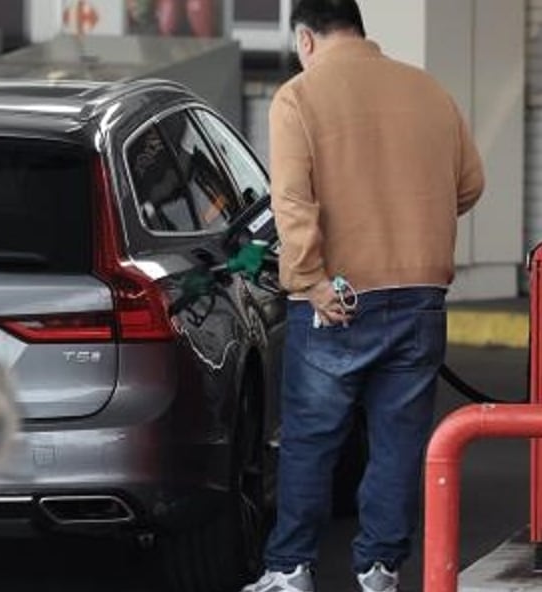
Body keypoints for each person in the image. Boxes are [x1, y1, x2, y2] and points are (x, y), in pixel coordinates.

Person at [241, 1, 484, 591]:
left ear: (305, 37)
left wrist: (309, 280)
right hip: (420, 294)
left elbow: (292, 202)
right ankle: (380, 569)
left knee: (310, 440)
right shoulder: (428, 91)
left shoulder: (299, 97)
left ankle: (290, 569)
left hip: (337, 300)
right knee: (399, 442)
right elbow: (470, 184)